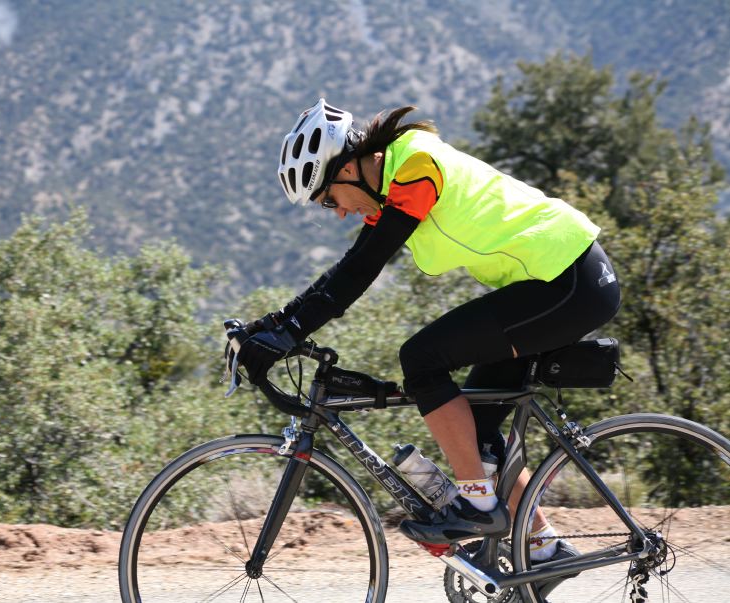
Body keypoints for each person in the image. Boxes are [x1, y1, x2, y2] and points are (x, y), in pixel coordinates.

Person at [237, 98, 620, 595]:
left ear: (349, 169)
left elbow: (360, 271)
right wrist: (276, 324)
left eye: (330, 199)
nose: (336, 214)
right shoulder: (391, 185)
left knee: (422, 359)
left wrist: (286, 333)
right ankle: (545, 548)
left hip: (569, 282)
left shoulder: (415, 165)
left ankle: (479, 504)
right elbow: (346, 269)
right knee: (476, 429)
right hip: (549, 283)